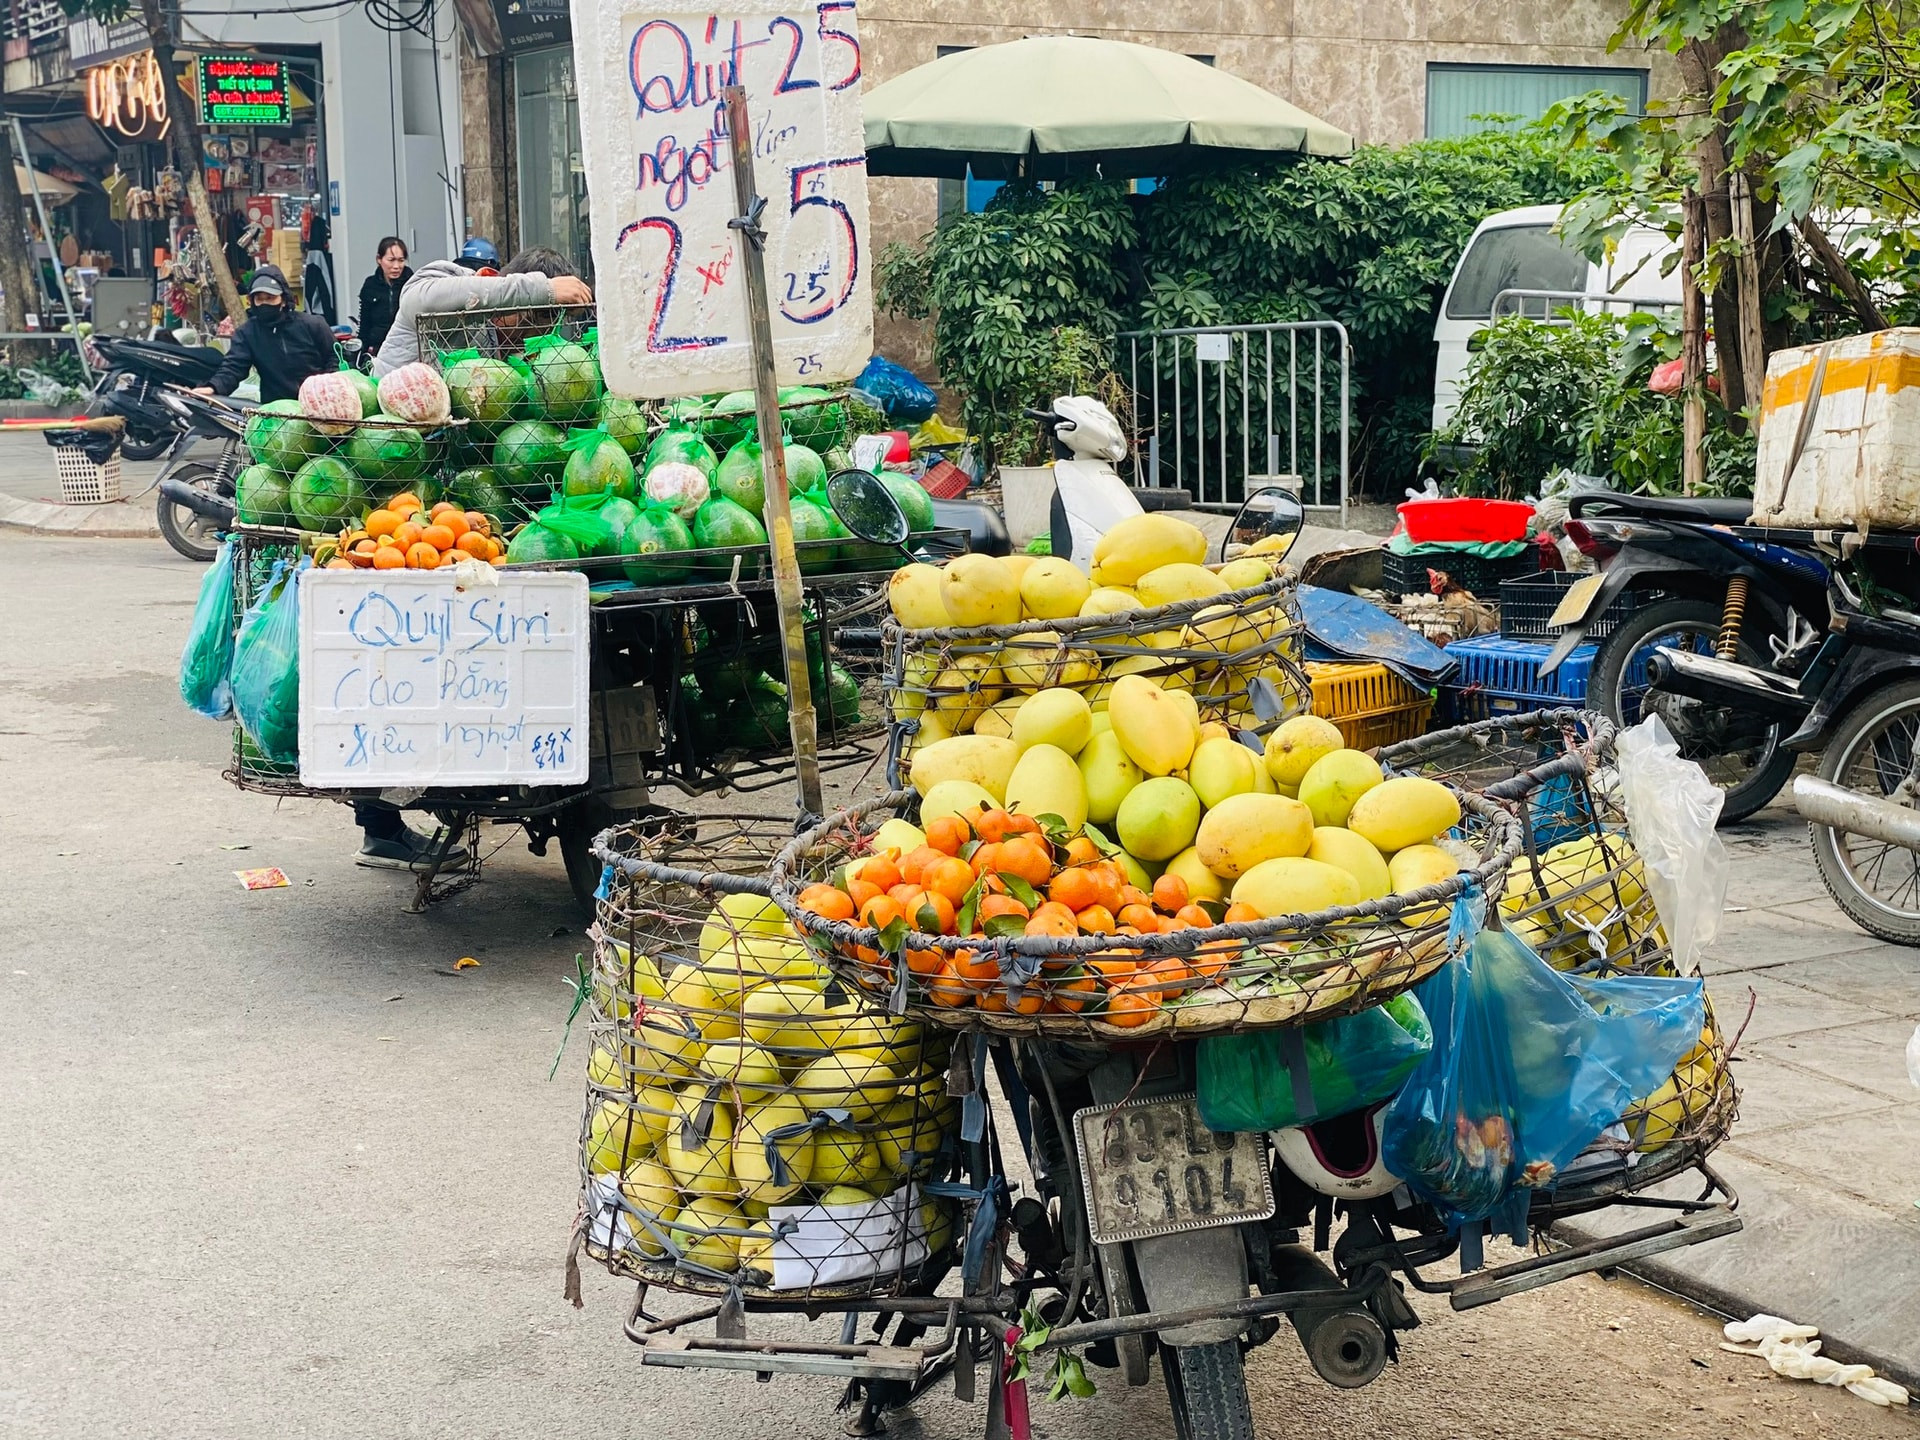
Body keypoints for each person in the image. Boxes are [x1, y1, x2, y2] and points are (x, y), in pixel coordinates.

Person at [198, 264, 469, 872]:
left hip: (345, 443)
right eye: (258, 294)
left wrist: (333, 409)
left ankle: (393, 815)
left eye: (272, 294)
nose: (266, 302)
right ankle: (379, 823)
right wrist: (232, 394)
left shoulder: (315, 328)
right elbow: (234, 371)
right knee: (360, 671)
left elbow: (340, 372)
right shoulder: (251, 334)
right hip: (299, 449)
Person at [371, 243, 593, 377]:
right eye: (524, 326)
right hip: (386, 431)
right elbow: (420, 303)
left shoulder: (500, 348)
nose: (522, 341)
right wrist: (541, 289)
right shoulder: (448, 278)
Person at [198, 265, 337, 404]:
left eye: (270, 298)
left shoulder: (313, 324)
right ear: (252, 301)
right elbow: (233, 367)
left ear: (283, 300)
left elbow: (335, 357)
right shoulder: (247, 333)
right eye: (259, 299)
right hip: (277, 411)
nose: (265, 303)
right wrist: (213, 387)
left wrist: (326, 389)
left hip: (321, 403)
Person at [356, 236, 412, 360]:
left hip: (406, 348)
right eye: (391, 260)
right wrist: (360, 353)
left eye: (401, 260)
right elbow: (364, 324)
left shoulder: (412, 284)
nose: (396, 266)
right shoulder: (370, 285)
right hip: (378, 350)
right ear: (379, 259)